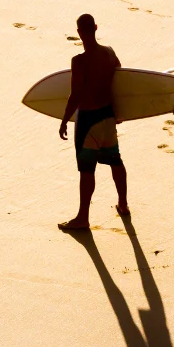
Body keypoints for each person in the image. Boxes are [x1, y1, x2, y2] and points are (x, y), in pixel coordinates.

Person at [58, 14, 129, 231]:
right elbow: (121, 79)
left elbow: (75, 95)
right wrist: (120, 112)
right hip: (108, 116)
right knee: (115, 160)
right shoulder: (109, 53)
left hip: (89, 121)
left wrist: (64, 121)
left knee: (87, 169)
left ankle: (83, 218)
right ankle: (123, 204)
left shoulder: (79, 61)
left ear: (79, 32)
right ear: (96, 28)